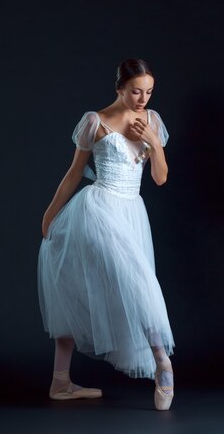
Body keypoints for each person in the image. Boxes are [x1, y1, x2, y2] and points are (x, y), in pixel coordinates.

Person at [37, 58, 175, 410]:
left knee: (90, 287)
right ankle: (163, 365)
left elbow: (160, 178)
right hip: (98, 210)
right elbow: (73, 173)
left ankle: (61, 382)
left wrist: (155, 145)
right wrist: (51, 213)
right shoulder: (94, 121)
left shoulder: (153, 121)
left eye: (148, 92)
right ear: (119, 88)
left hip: (132, 212)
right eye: (135, 91)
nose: (142, 98)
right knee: (132, 284)